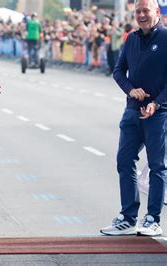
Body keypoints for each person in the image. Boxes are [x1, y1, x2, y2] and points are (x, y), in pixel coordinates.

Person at [100, 0, 167, 237]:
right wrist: (130, 89)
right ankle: (128, 218)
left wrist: (156, 103)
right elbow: (118, 71)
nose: (141, 15)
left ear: (157, 12)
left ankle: (152, 219)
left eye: (145, 11)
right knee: (124, 160)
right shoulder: (131, 38)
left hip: (159, 113)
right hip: (132, 110)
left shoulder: (165, 38)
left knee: (158, 166)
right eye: (137, 11)